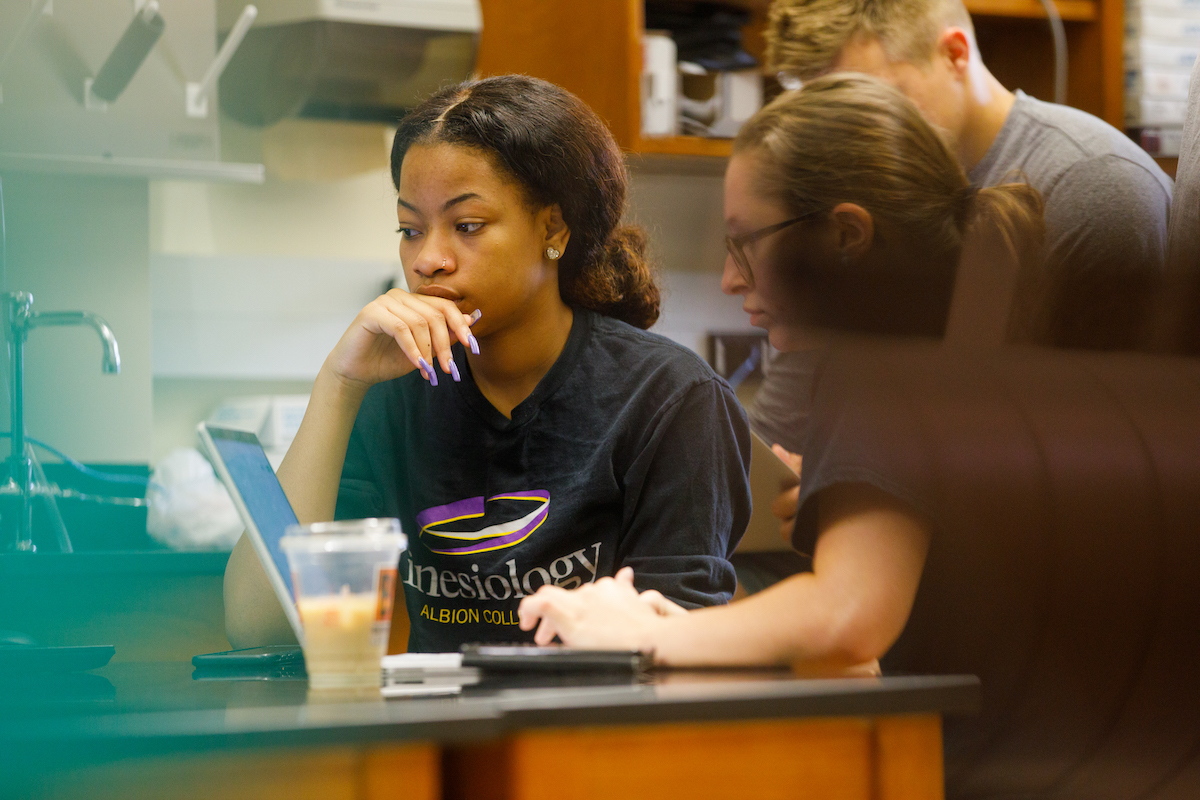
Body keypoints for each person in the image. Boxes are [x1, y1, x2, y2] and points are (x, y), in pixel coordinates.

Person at [516, 73, 1044, 669]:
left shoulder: (882, 372)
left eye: (747, 243)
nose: (730, 278)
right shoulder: (950, 348)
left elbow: (848, 616)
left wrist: (638, 636)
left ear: (847, 235)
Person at [223, 75, 752, 653]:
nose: (427, 260)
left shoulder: (671, 399)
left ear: (552, 227)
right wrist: (340, 385)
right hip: (436, 737)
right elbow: (259, 627)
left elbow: (676, 649)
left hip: (593, 734)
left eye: (467, 226)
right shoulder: (396, 391)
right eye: (410, 229)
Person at [765, 0, 1171, 351]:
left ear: (955, 54)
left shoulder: (1095, 187)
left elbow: (1085, 422)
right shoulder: (879, 191)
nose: (849, 139)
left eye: (874, 100)